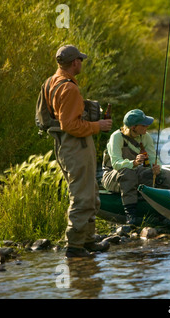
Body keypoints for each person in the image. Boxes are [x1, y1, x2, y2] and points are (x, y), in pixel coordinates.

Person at [48, 45, 112, 258]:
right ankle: (74, 247)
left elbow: (47, 118)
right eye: (80, 60)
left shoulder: (50, 83)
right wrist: (98, 126)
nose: (82, 63)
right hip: (76, 146)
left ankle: (87, 240)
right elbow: (69, 125)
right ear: (74, 62)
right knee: (82, 197)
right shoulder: (69, 89)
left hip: (65, 145)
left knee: (91, 194)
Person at [101, 109, 170, 225]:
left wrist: (157, 168)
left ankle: (163, 214)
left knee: (166, 175)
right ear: (133, 127)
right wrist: (133, 163)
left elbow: (153, 158)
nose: (147, 126)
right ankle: (131, 215)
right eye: (144, 124)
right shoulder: (116, 137)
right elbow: (116, 163)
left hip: (136, 172)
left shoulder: (146, 137)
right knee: (128, 173)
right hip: (113, 175)